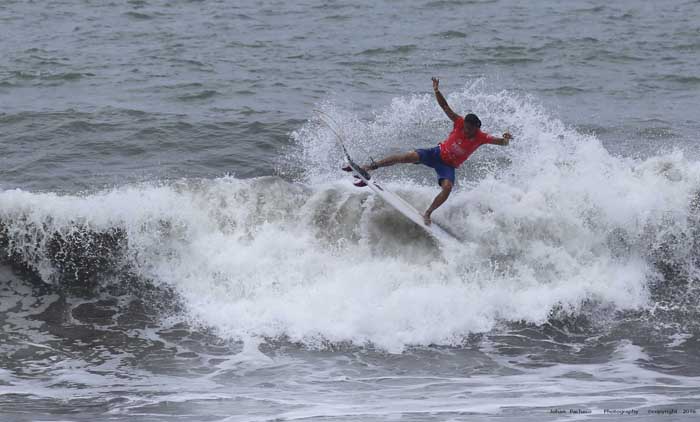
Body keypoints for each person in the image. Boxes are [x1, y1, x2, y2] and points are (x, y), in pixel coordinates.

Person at [351, 78, 513, 226]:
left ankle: (428, 212)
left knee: (448, 187)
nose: (467, 131)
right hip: (436, 153)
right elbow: (444, 106)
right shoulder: (459, 122)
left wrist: (506, 138)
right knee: (405, 156)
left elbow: (502, 143)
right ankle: (369, 167)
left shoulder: (481, 137)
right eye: (466, 128)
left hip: (447, 166)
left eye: (470, 129)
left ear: (476, 128)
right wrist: (436, 90)